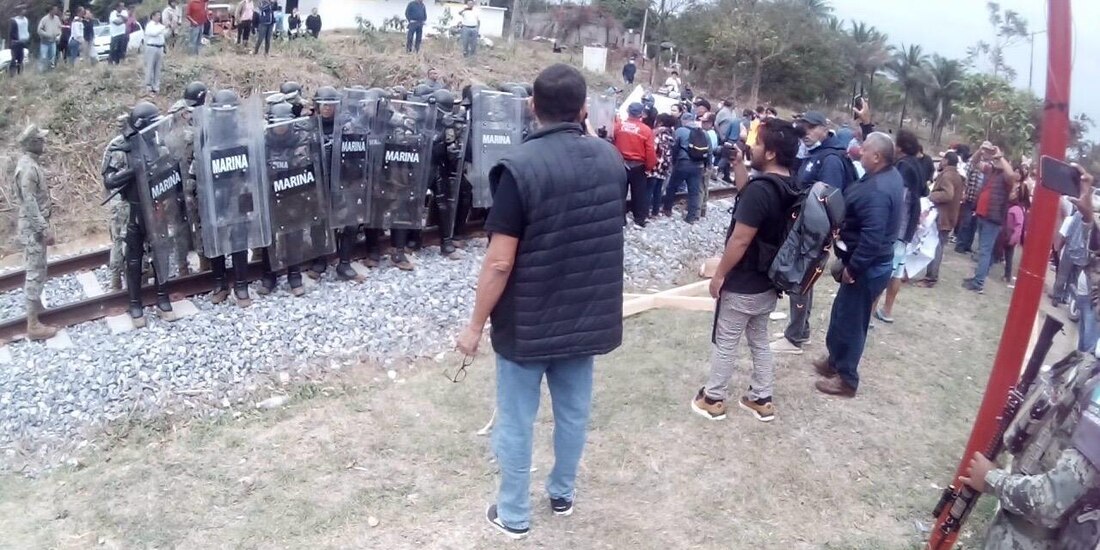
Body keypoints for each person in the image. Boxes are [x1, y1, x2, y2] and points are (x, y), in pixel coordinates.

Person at [455, 63, 625, 541]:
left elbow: (499, 262)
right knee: (573, 413)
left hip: (527, 323)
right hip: (584, 315)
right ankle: (562, 493)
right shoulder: (611, 161)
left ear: (532, 106)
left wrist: (474, 327)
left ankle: (513, 513)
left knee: (516, 419)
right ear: (584, 108)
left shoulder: (518, 168)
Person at [692, 117, 801, 423]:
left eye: (758, 142)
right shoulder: (790, 184)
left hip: (743, 283)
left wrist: (719, 274)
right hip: (769, 282)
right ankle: (761, 398)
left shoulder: (762, 191)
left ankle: (712, 398)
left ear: (770, 153)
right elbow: (750, 198)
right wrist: (740, 164)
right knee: (759, 340)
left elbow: (740, 239)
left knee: (726, 341)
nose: (751, 145)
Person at [813, 132, 903, 398]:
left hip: (867, 267)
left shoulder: (878, 190)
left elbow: (872, 237)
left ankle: (847, 380)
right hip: (866, 263)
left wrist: (854, 268)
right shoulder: (885, 174)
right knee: (842, 313)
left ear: (877, 157)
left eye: (864, 150)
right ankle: (834, 361)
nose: (859, 152)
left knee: (853, 322)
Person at [771, 111, 855, 356]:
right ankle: (800, 330)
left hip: (813, 233)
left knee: (800, 279)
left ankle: (794, 337)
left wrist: (812, 235)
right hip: (808, 230)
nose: (805, 133)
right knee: (804, 280)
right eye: (802, 128)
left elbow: (826, 201)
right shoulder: (816, 154)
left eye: (810, 128)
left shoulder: (829, 159)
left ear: (824, 128)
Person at [102, 102, 178, 327]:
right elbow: (109, 180)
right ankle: (135, 304)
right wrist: (133, 170)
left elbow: (170, 168)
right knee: (133, 258)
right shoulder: (121, 147)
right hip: (132, 207)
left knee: (161, 252)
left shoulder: (157, 143)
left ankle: (163, 298)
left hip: (156, 205)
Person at [872, 129, 925, 323]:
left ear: (900, 147)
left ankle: (870, 312)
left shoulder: (902, 166)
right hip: (908, 227)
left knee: (883, 270)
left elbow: (898, 196)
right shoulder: (917, 165)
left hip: (897, 226)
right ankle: (887, 310)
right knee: (897, 271)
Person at [13, 124, 59, 341]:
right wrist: (43, 228)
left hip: (32, 225)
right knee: (35, 271)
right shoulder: (29, 169)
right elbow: (30, 202)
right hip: (33, 228)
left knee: (38, 267)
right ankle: (33, 324)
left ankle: (36, 305)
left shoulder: (28, 164)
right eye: (41, 140)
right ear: (32, 143)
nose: (44, 143)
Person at [963, 144, 1019, 294]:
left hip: (992, 219)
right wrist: (980, 149)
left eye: (997, 158)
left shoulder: (1006, 178)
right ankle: (977, 278)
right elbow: (973, 163)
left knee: (985, 251)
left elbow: (1012, 175)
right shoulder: (990, 171)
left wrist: (1000, 156)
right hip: (983, 215)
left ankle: (979, 282)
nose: (994, 159)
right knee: (982, 250)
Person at [921, 151, 964, 287]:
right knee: (937, 245)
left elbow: (948, 194)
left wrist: (931, 195)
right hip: (949, 216)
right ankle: (931, 276)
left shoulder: (947, 175)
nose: (940, 161)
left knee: (936, 247)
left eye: (942, 159)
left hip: (943, 217)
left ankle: (931, 278)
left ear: (946, 161)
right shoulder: (956, 175)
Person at [613, 102, 657, 227]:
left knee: (620, 193)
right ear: (641, 114)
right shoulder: (646, 130)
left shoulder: (618, 126)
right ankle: (639, 218)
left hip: (620, 163)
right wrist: (649, 166)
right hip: (638, 166)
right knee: (639, 194)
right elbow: (650, 151)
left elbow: (612, 141)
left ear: (628, 112)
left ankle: (620, 219)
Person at [661, 111, 708, 223]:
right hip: (698, 165)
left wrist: (673, 161)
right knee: (694, 191)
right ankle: (691, 216)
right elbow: (709, 151)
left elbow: (674, 147)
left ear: (683, 121)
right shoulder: (703, 133)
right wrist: (707, 165)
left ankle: (667, 209)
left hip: (683, 163)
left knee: (672, 186)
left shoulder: (680, 131)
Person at [646, 113, 675, 220]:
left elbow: (653, 149)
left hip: (655, 165)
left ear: (660, 122)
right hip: (665, 166)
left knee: (649, 189)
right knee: (658, 189)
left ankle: (645, 211)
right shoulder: (671, 134)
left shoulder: (657, 133)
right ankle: (655, 211)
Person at [143, 12, 168, 95]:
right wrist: (163, 28)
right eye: (157, 15)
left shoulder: (160, 26)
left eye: (159, 15)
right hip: (151, 47)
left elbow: (164, 35)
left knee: (157, 68)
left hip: (160, 47)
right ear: (153, 16)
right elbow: (153, 33)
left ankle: (156, 86)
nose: (159, 17)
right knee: (150, 67)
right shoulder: (150, 25)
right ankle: (148, 86)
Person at [37, 7, 61, 72]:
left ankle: (50, 71)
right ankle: (40, 71)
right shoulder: (44, 19)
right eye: (54, 10)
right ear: (50, 10)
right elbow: (39, 30)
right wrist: (47, 34)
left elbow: (59, 28)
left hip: (53, 42)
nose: (55, 11)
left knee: (52, 57)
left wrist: (58, 36)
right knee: (43, 57)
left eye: (56, 10)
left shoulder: (57, 19)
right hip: (45, 42)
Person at [8, 7, 29, 76]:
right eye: (23, 9)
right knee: (14, 59)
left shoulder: (25, 20)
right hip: (15, 42)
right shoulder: (14, 20)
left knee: (20, 59)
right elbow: (11, 33)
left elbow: (25, 29)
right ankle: (12, 75)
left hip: (22, 42)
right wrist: (11, 43)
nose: (24, 11)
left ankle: (20, 74)